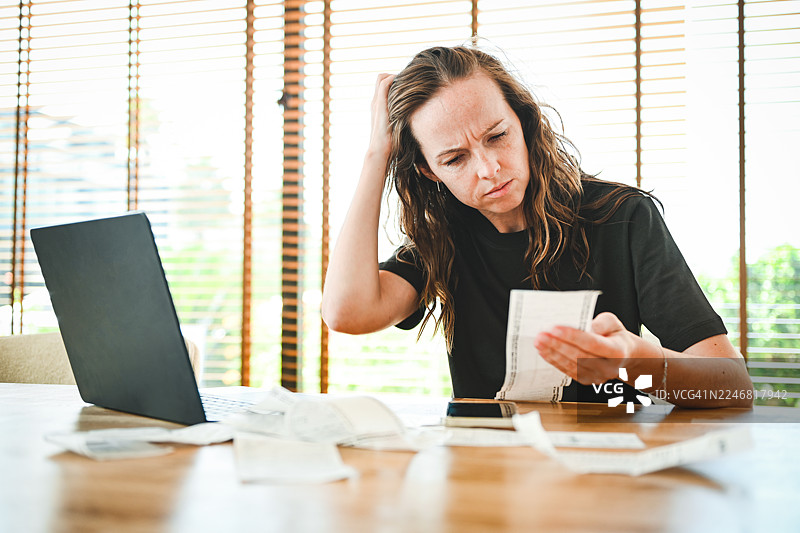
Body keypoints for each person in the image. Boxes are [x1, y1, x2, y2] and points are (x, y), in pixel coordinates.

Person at [321, 45, 753, 407]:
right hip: (488, 475)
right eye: (455, 158)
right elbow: (346, 312)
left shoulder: (623, 217)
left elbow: (731, 387)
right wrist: (377, 155)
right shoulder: (444, 238)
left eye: (497, 136)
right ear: (430, 171)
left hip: (605, 476)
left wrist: (635, 358)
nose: (489, 169)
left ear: (524, 124)